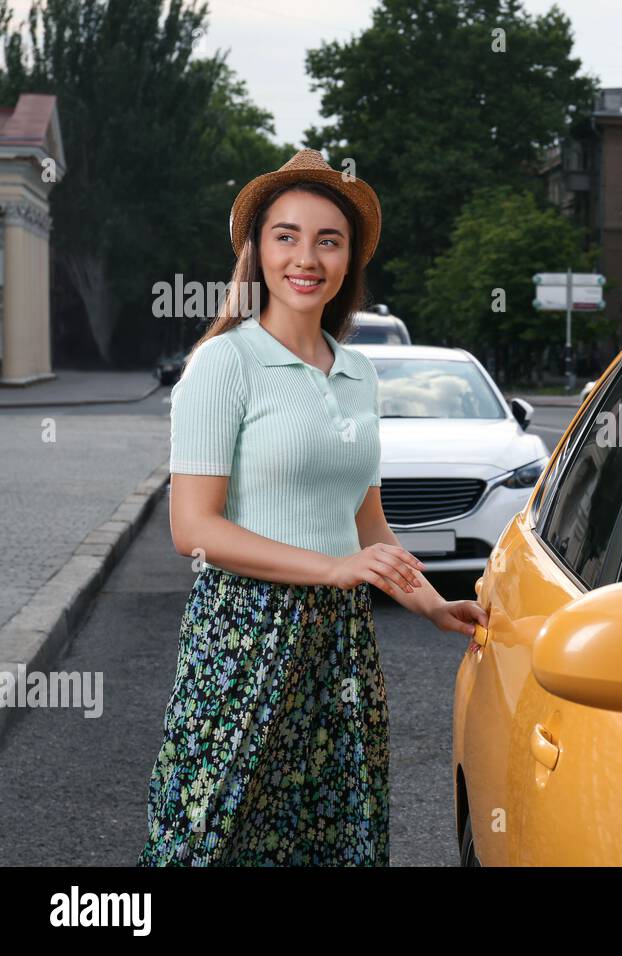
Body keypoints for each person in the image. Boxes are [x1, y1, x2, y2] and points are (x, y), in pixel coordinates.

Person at [137, 149, 487, 866]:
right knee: (207, 836)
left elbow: (369, 526)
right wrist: (330, 569)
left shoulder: (358, 372)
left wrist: (432, 604)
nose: (307, 257)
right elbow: (192, 528)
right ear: (257, 250)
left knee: (332, 838)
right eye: (286, 236)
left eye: (329, 240)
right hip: (240, 636)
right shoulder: (224, 364)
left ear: (350, 257)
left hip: (340, 645)